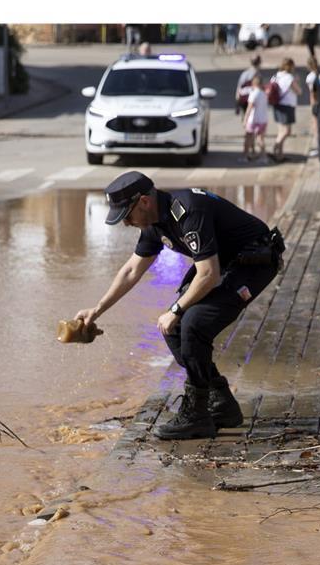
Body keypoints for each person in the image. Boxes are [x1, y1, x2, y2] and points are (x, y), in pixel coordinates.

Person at [75, 172, 285, 440]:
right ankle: (220, 403)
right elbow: (131, 271)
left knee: (193, 323)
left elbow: (208, 274)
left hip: (255, 261)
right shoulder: (153, 222)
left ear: (144, 202)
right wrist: (97, 309)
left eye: (127, 215)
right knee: (173, 329)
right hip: (225, 261)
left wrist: (176, 310)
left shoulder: (187, 212)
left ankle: (197, 415)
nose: (126, 223)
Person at [269, 57, 302, 163]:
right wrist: (297, 81)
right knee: (287, 131)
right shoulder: (289, 78)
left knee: (281, 130)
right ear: (291, 66)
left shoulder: (276, 76)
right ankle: (275, 147)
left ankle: (280, 155)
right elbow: (298, 91)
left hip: (277, 105)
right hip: (286, 106)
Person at [241, 75, 269, 162]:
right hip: (263, 119)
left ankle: (245, 156)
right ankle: (263, 157)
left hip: (253, 120)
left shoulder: (254, 94)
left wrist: (245, 119)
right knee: (260, 139)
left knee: (248, 138)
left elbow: (249, 108)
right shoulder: (264, 93)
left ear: (254, 83)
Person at [305, 56, 319, 156]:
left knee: (316, 126)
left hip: (316, 103)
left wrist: (313, 105)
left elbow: (312, 93)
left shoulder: (310, 77)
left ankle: (318, 147)